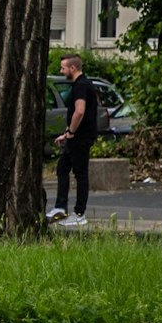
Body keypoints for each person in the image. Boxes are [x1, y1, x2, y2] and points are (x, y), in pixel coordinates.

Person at [50, 55, 99, 226]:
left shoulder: (81, 86)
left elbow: (79, 111)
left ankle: (79, 213)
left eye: (63, 68)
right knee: (62, 167)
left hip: (80, 138)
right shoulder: (83, 84)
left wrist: (71, 132)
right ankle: (60, 206)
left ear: (73, 68)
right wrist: (66, 134)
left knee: (80, 174)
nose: (61, 71)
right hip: (75, 136)